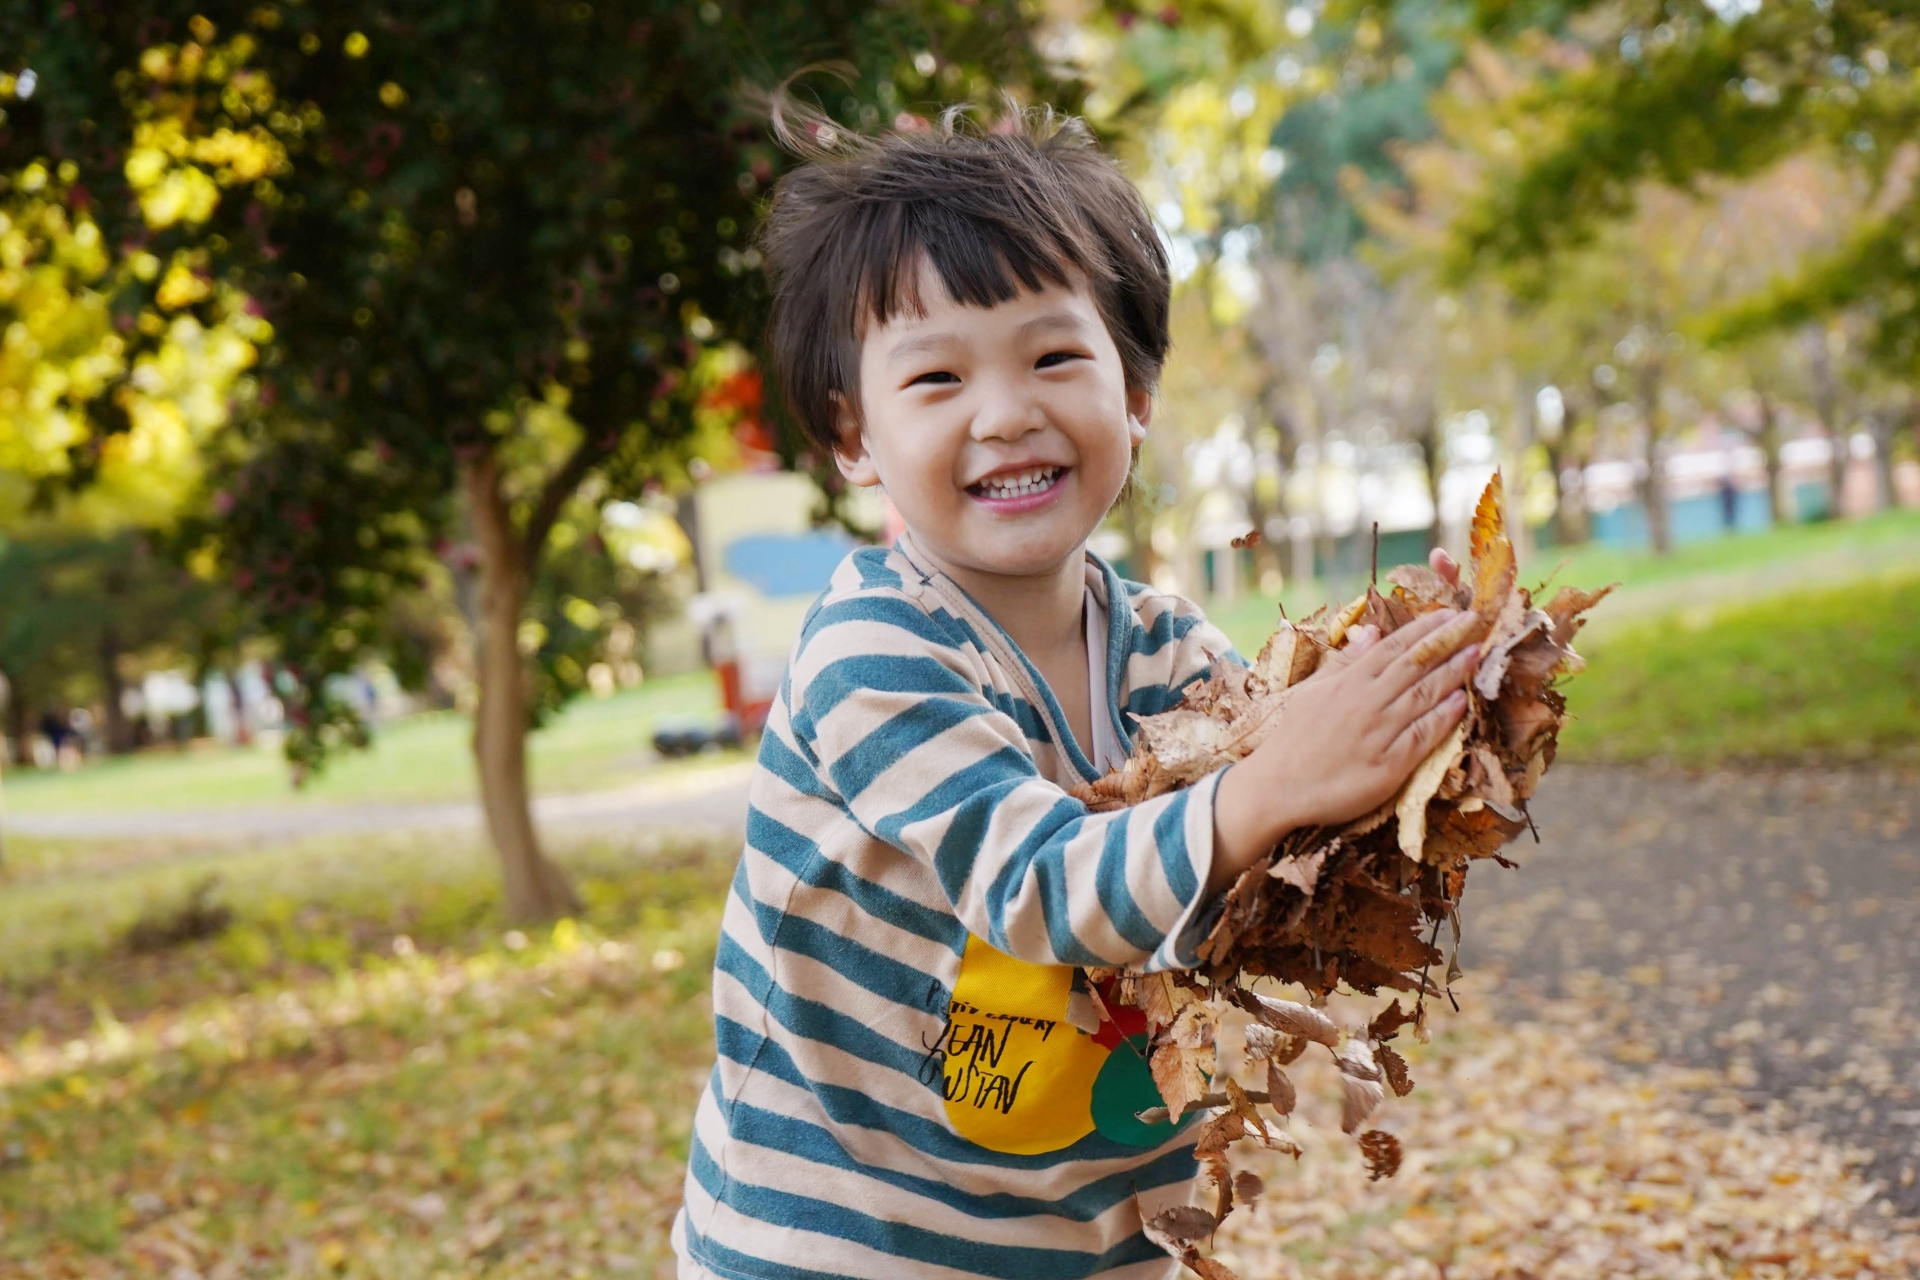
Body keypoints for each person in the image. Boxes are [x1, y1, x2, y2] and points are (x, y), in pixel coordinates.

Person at [672, 105, 1481, 1280]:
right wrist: (1273, 780)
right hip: (838, 1239)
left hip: (1086, 1235)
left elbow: (1290, 849)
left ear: (1136, 393)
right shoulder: (872, 651)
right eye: (936, 376)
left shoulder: (1164, 646)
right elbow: (1039, 885)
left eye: (1054, 355)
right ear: (854, 433)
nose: (1005, 411)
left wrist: (1421, 681)